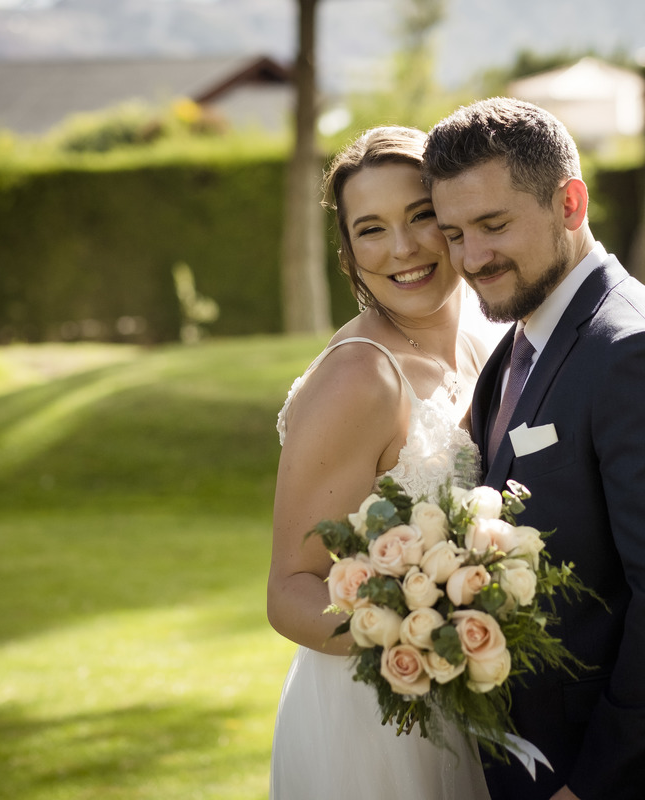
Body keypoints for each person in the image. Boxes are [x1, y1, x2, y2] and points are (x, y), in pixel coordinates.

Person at [422, 98, 645, 800]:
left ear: (570, 201)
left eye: (494, 225)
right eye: (454, 232)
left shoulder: (642, 351)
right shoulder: (517, 349)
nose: (472, 258)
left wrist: (596, 785)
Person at [266, 126, 496, 800]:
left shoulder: (489, 338)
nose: (403, 249)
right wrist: (420, 644)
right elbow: (290, 590)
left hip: (486, 699)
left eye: (421, 215)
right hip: (380, 727)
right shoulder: (360, 377)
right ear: (348, 253)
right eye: (371, 229)